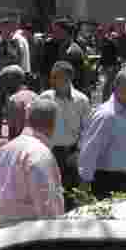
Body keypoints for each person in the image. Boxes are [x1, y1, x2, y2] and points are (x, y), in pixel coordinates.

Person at [78, 68, 126, 199]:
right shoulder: (106, 115)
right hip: (110, 183)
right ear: (121, 89)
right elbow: (90, 149)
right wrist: (84, 183)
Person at [0, 100, 65, 224]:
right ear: (52, 123)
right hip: (31, 233)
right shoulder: (40, 153)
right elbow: (46, 203)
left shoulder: (3, 150)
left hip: (5, 229)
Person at [36, 60, 92, 207]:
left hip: (72, 154)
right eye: (52, 76)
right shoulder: (44, 98)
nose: (51, 80)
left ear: (68, 78)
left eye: (56, 77)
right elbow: (36, 127)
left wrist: (78, 151)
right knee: (49, 194)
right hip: (49, 153)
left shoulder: (82, 100)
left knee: (71, 196)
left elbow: (87, 130)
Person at [1, 66, 36, 140]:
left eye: (4, 81)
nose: (3, 86)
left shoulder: (13, 100)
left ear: (11, 80)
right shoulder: (35, 96)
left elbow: (12, 133)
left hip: (23, 144)